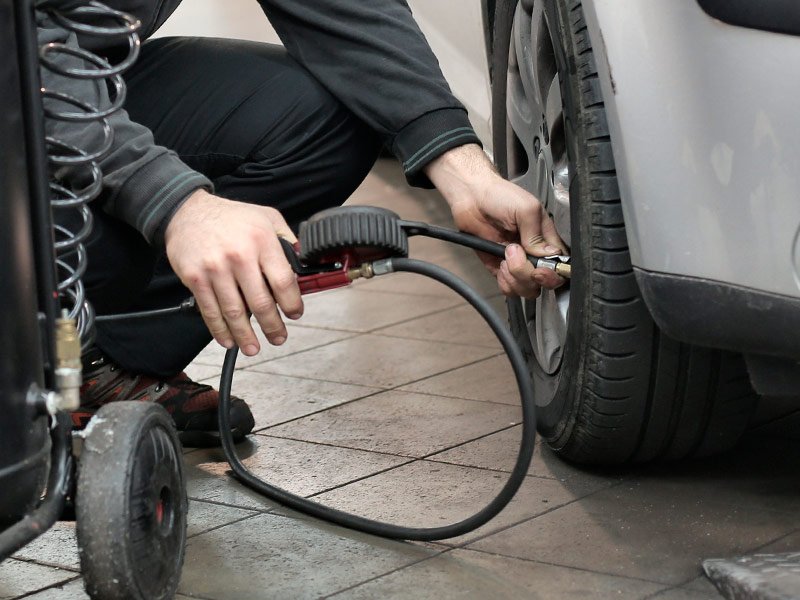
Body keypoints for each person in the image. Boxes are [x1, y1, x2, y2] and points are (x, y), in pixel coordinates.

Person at [40, 0, 565, 444]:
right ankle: (34, 348)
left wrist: (458, 165)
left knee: (323, 118)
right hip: (22, 85)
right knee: (109, 202)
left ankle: (94, 360)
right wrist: (177, 204)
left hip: (71, 72)